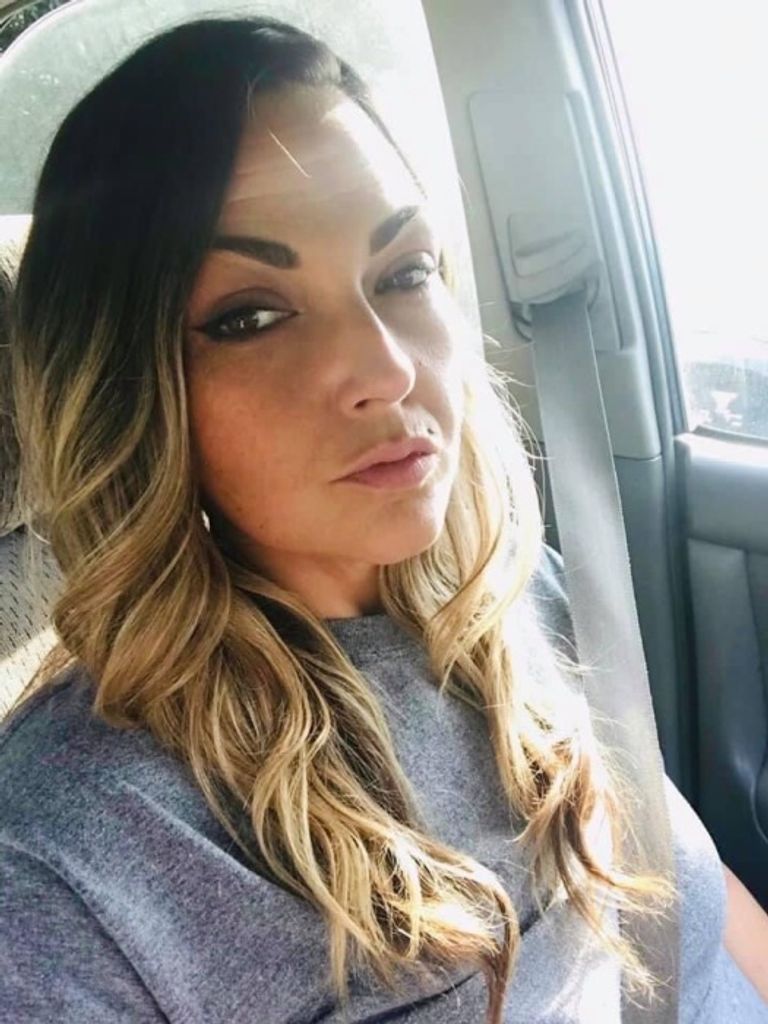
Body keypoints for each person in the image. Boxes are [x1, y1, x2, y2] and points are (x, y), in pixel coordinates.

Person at [0, 16, 766, 1024]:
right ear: (130, 392)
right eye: (251, 316)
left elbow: (688, 892)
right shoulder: (62, 874)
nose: (389, 368)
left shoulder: (511, 587)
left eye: (404, 273)